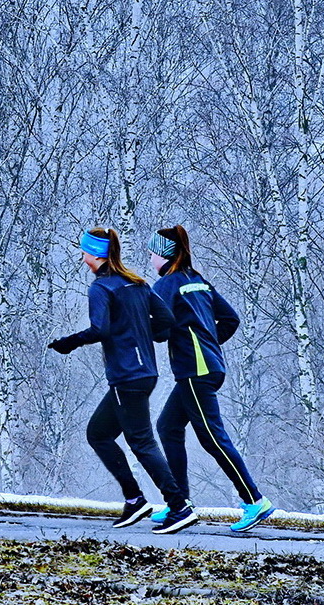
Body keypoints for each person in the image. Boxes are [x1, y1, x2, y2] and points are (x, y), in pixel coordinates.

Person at [48, 227, 200, 534]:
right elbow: (167, 322)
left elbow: (98, 330)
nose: (82, 257)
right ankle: (135, 500)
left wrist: (68, 342)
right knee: (99, 434)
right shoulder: (137, 283)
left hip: (127, 377)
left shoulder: (101, 288)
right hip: (145, 374)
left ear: (94, 255)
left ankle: (179, 506)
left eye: (84, 252)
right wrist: (144, 336)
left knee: (141, 442)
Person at [148, 224, 275, 533]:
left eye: (151, 253)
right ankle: (179, 502)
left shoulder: (166, 285)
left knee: (213, 439)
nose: (149, 258)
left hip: (195, 372)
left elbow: (160, 332)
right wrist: (207, 340)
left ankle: (254, 501)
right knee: (168, 426)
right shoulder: (197, 281)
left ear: (164, 255)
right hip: (209, 367)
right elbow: (230, 319)